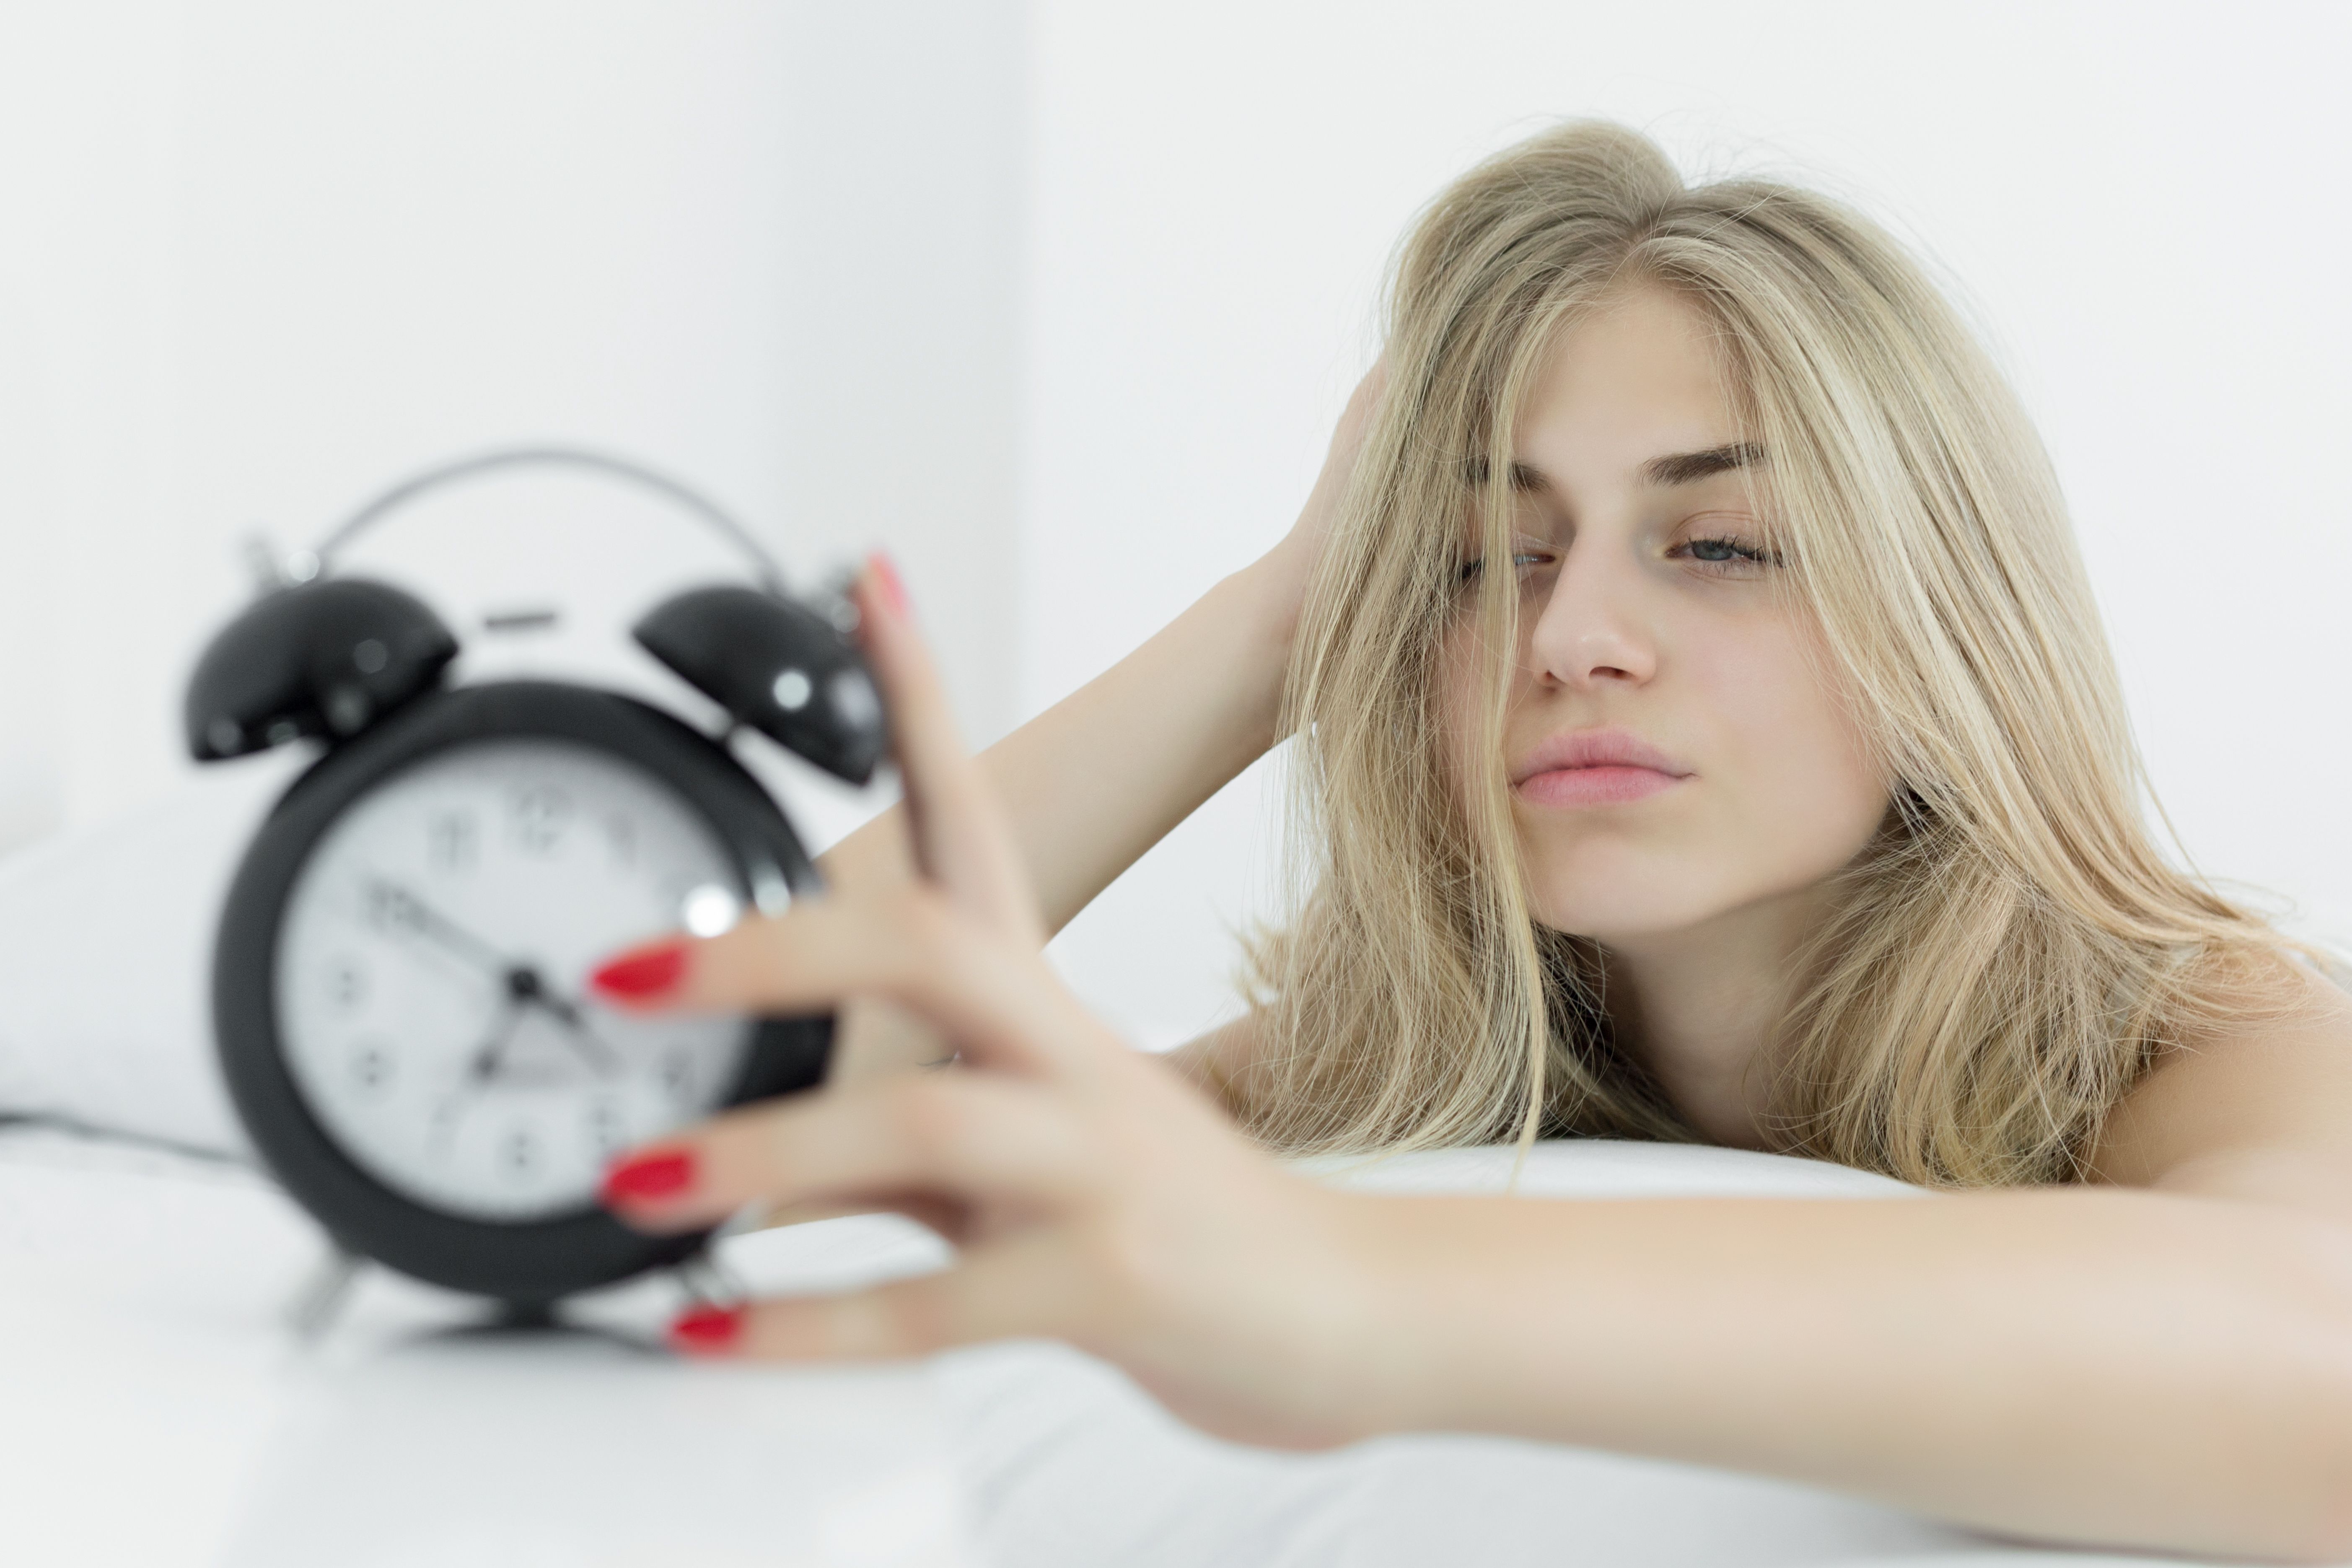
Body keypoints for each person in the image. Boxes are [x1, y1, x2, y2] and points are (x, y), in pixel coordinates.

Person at [582, 122, 2352, 1558]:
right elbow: (666, 1103)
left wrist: (1356, 1292)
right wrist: (1280, 623)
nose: (1568, 634)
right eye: (1478, 562)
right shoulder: (1410, 1062)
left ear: (1948, 619)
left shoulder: (2197, 1032)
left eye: (1717, 544)